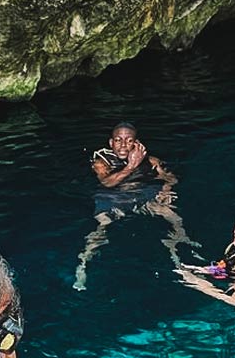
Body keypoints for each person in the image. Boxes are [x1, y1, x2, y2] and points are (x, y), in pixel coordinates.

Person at [73, 121, 196, 290]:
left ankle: (178, 247)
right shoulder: (100, 162)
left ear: (136, 143)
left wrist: (166, 189)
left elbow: (171, 178)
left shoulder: (151, 160)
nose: (123, 145)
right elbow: (107, 182)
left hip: (142, 195)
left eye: (129, 140)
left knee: (171, 214)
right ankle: (83, 264)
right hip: (113, 197)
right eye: (118, 140)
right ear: (111, 142)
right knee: (103, 224)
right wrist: (131, 166)